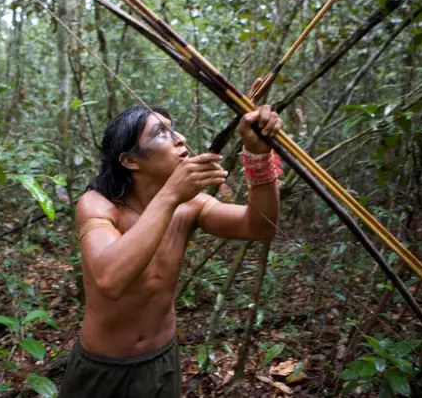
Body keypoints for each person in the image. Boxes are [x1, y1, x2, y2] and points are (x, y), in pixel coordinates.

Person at [60, 89, 283, 398]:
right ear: (129, 160)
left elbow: (260, 225)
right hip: (101, 368)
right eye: (161, 133)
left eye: (173, 128)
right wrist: (170, 195)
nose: (179, 139)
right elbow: (109, 279)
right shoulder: (98, 205)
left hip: (161, 361)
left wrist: (257, 153)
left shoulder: (188, 204)